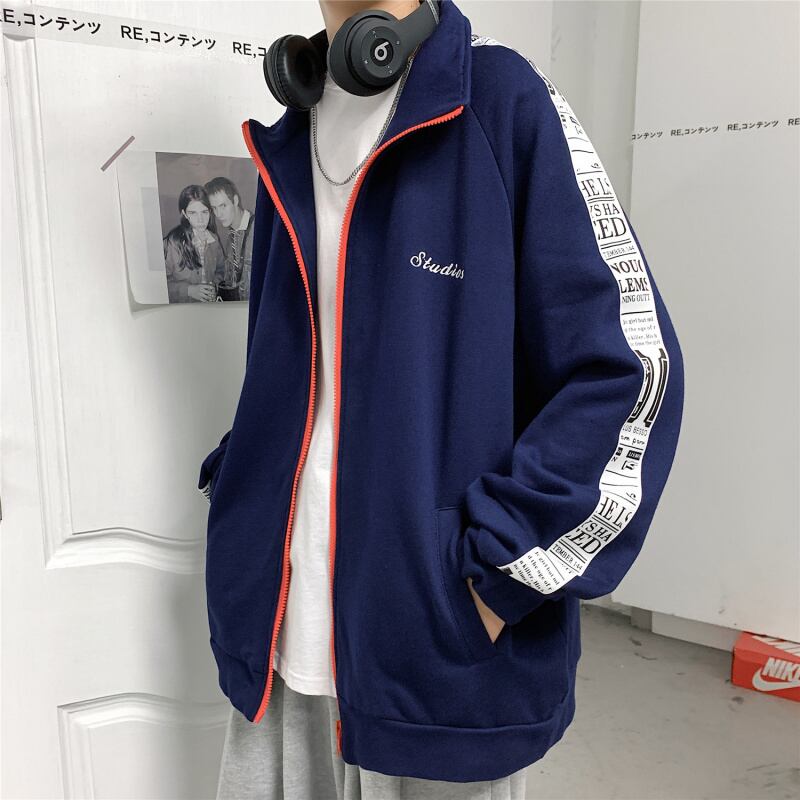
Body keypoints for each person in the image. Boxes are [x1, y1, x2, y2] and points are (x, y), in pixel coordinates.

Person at [201, 1, 685, 797]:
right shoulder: (293, 133)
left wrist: (499, 572)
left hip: (437, 651)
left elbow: (633, 370)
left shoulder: (498, 100)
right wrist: (242, 497)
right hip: (278, 629)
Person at [163, 184, 225, 302]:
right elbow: (159, 284)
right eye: (193, 213)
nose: (200, 219)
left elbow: (221, 270)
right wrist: (189, 290)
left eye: (204, 212)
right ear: (185, 214)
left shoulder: (214, 240)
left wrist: (215, 285)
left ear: (210, 211)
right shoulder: (172, 243)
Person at [205, 177, 255, 301]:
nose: (218, 214)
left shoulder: (259, 229)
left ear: (235, 200)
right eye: (214, 208)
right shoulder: (231, 237)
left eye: (223, 206)